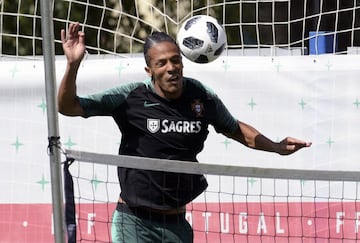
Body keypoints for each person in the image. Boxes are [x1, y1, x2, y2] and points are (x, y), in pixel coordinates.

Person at [58, 22, 312, 243]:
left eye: (175, 60)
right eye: (162, 63)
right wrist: (72, 65)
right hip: (134, 221)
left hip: (177, 224)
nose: (171, 67)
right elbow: (68, 106)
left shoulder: (200, 96)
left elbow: (235, 129)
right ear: (150, 71)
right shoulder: (130, 96)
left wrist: (276, 147)